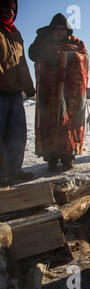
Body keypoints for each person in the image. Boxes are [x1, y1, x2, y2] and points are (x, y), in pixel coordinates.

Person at [29, 13, 88, 172]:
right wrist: (43, 39)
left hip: (71, 93)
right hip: (49, 92)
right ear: (52, 30)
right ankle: (52, 158)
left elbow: (83, 56)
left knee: (69, 122)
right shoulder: (43, 42)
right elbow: (33, 54)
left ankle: (68, 156)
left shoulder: (75, 43)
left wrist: (68, 56)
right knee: (50, 122)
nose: (60, 33)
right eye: (57, 29)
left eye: (63, 30)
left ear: (68, 31)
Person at [0, 0, 35, 187]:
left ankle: (15, 170)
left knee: (17, 134)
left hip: (15, 92)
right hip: (0, 92)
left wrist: (29, 86)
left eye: (13, 9)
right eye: (5, 8)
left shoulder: (16, 33)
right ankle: (2, 174)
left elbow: (21, 63)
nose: (10, 12)